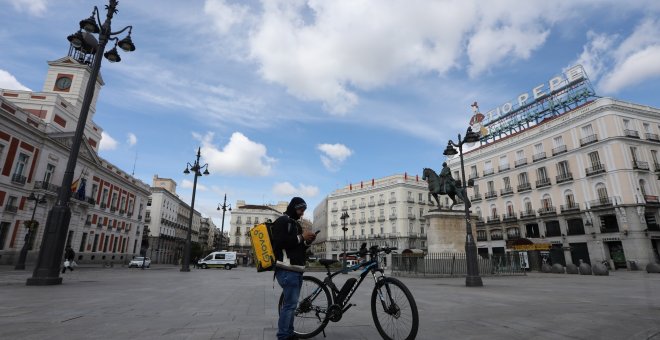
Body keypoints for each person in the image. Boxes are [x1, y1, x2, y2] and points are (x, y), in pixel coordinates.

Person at [271, 197, 316, 340]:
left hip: (295, 270)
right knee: (289, 306)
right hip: (286, 269)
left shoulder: (295, 224)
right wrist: (301, 237)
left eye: (303, 211)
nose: (302, 213)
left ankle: (289, 333)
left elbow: (297, 247)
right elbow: (280, 242)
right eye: (300, 209)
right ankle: (283, 335)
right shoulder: (282, 221)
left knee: (291, 305)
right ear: (293, 207)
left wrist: (307, 242)